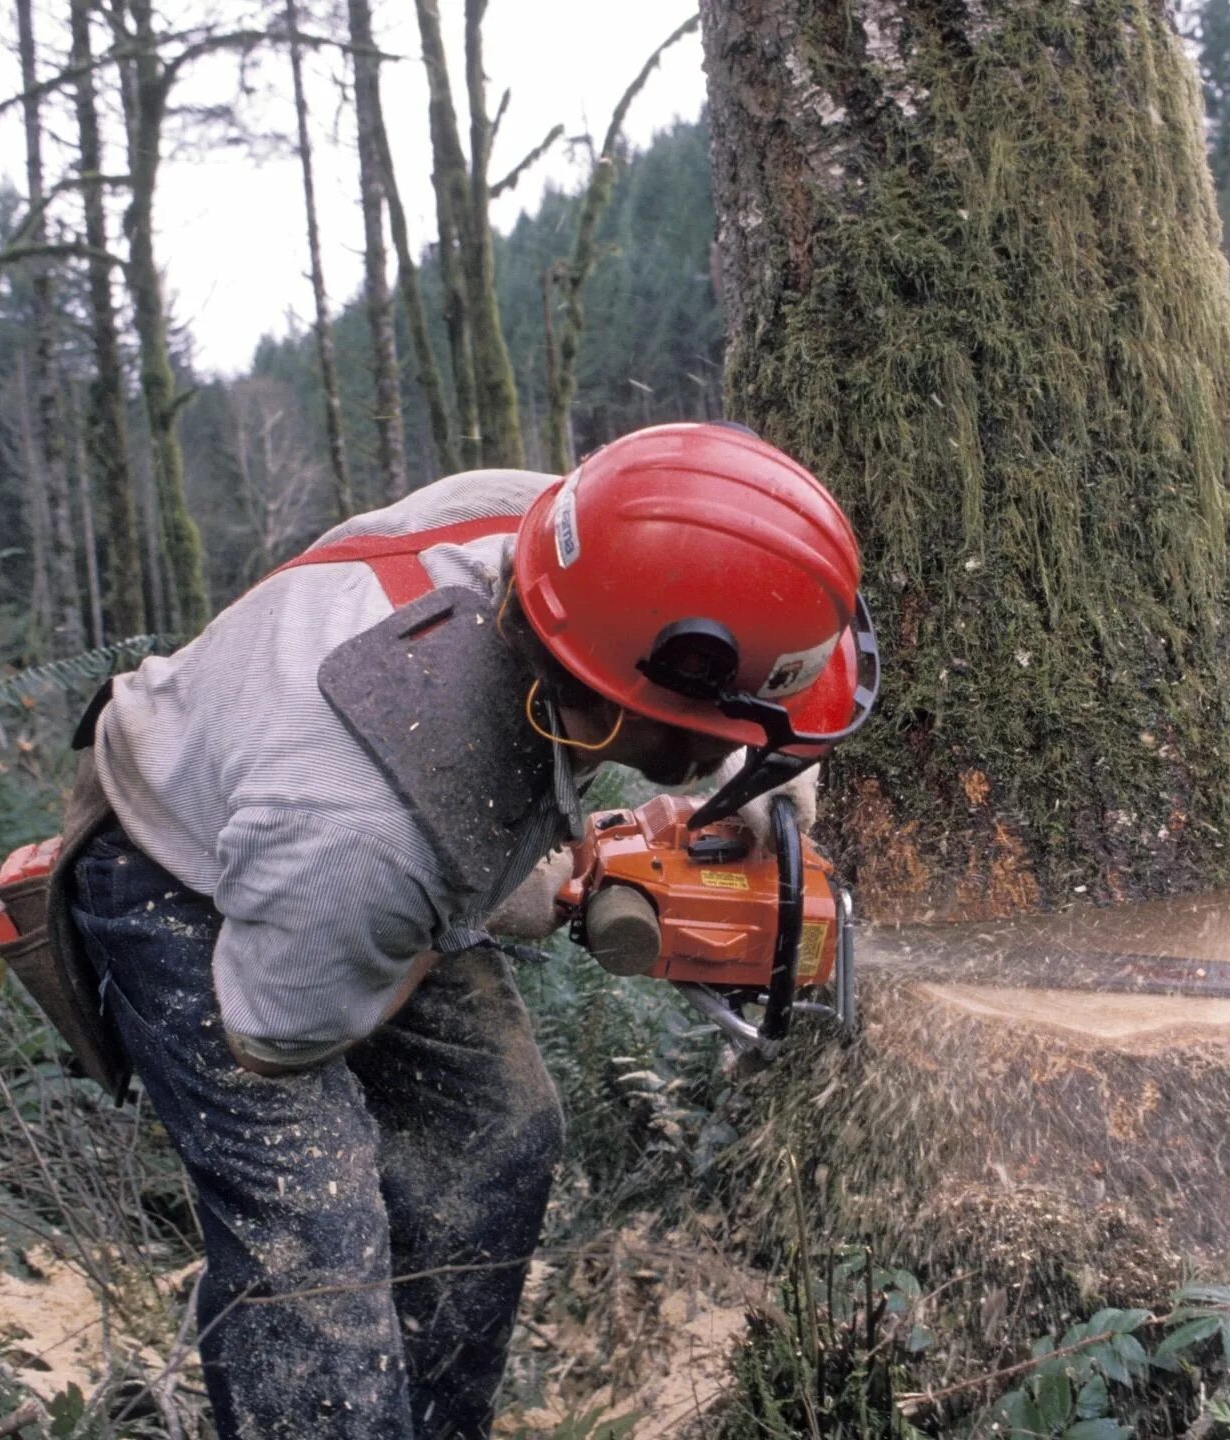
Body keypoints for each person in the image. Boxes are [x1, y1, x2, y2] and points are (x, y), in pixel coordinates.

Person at [64, 423, 876, 1438]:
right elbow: (274, 1033)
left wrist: (752, 771)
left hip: (350, 816)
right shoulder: (370, 833)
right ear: (634, 701)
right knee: (311, 1223)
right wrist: (488, 893)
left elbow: (704, 578)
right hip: (185, 872)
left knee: (501, 1130)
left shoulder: (586, 538)